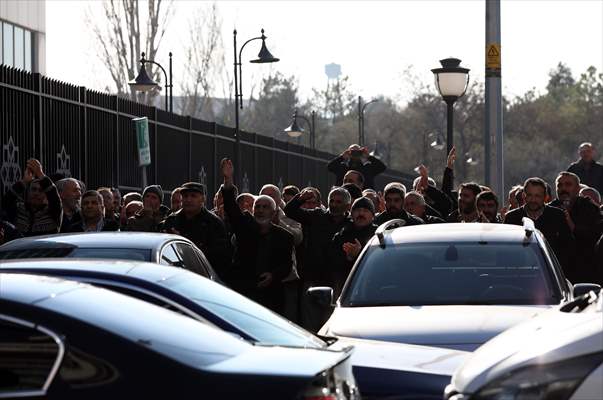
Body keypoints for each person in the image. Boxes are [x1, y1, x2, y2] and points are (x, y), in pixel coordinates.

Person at [221, 159, 293, 315]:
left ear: (274, 213)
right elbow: (232, 209)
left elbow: (286, 264)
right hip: (244, 292)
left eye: (265, 207)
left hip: (272, 296)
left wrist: (273, 275)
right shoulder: (244, 229)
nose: (261, 210)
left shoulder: (285, 236)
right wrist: (228, 180)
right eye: (258, 207)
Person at [284, 186, 352, 331]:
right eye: (332, 201)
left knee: (333, 324)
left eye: (339, 202)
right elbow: (289, 211)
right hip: (313, 278)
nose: (334, 204)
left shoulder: (351, 224)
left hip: (338, 282)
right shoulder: (317, 216)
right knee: (310, 324)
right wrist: (301, 198)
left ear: (348, 205)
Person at [504, 177, 574, 278]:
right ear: (524, 196)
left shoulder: (557, 216)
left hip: (551, 275)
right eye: (530, 195)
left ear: (545, 197)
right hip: (518, 274)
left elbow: (568, 248)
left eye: (537, 196)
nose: (533, 200)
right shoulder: (512, 217)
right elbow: (506, 250)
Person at [160, 182, 230, 279]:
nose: (189, 199)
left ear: (203, 199)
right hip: (175, 276)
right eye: (185, 196)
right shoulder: (172, 220)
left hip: (204, 277)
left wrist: (184, 242)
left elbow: (219, 256)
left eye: (193, 196)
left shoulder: (214, 223)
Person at [260, 184, 303, 322]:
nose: (268, 199)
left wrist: (278, 223)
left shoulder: (290, 219)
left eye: (271, 196)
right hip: (260, 280)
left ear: (279, 201)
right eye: (265, 195)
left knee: (287, 320)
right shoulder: (254, 219)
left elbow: (297, 237)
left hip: (286, 280)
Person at [549, 172, 601, 284]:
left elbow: (595, 238)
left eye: (568, 185)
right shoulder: (550, 210)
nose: (563, 188)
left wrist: (573, 226)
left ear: (577, 189)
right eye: (560, 185)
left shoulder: (590, 209)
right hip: (556, 271)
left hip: (585, 271)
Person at [329, 197, 378, 297]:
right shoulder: (342, 235)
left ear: (373, 216)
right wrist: (349, 257)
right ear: (351, 214)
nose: (361, 214)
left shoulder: (378, 235)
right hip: (346, 288)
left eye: (365, 211)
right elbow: (332, 263)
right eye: (358, 210)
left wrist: (359, 255)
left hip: (373, 286)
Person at [2, 158, 62, 236]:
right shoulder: (19, 209)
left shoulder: (52, 212)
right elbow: (6, 201)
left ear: (46, 194)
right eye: (33, 189)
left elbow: (55, 199)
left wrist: (40, 174)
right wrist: (24, 181)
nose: (36, 193)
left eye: (41, 191)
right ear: (28, 191)